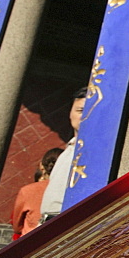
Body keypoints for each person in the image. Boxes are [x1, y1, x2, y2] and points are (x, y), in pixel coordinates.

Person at [39, 87, 86, 222]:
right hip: (48, 221)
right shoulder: (68, 149)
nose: (84, 116)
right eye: (80, 110)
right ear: (70, 112)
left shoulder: (92, 150)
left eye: (90, 111)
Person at [10, 147, 63, 238]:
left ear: (41, 167)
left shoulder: (27, 191)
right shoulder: (72, 190)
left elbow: (17, 226)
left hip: (30, 242)